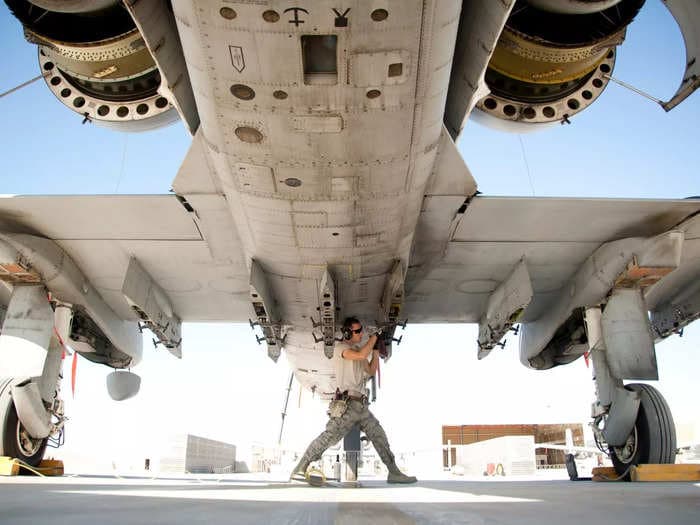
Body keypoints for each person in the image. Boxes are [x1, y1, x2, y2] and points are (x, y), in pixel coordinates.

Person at [291, 316, 417, 484]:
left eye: (360, 330)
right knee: (329, 437)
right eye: (357, 331)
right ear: (346, 332)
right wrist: (375, 336)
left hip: (361, 407)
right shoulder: (341, 349)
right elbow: (361, 355)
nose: (360, 333)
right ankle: (300, 467)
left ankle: (393, 472)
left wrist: (377, 351)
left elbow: (371, 370)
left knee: (379, 435)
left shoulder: (358, 352)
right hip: (347, 406)